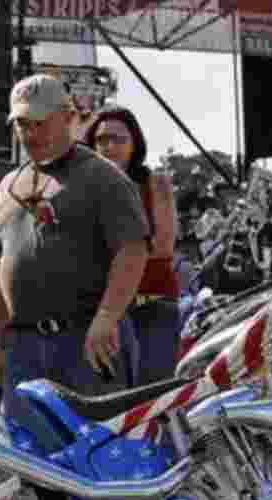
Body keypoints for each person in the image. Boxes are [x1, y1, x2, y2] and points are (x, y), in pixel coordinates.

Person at [0, 75, 151, 448]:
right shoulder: (6, 187)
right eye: (20, 124)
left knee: (96, 454)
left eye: (38, 122)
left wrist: (107, 319)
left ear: (67, 116)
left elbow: (132, 250)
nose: (29, 133)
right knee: (28, 458)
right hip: (25, 346)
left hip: (86, 341)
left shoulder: (102, 176)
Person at [85, 106, 180, 386]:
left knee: (152, 395)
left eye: (119, 139)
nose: (110, 146)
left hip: (152, 305)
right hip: (99, 310)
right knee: (108, 397)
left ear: (135, 144)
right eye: (102, 139)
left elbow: (163, 247)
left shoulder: (155, 183)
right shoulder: (83, 187)